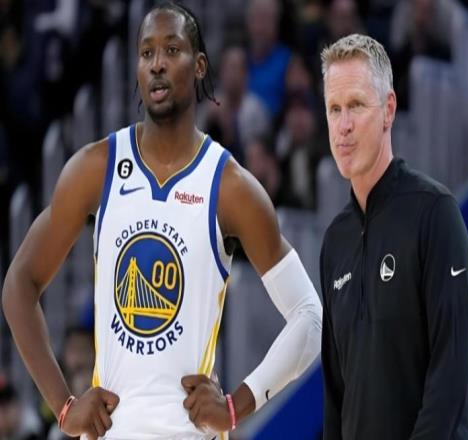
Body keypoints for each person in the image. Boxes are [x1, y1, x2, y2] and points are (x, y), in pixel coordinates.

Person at [1, 2, 322, 440]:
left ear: (199, 65)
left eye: (172, 50)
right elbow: (19, 284)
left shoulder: (230, 186)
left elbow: (309, 316)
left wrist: (236, 406)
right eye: (147, 52)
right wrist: (63, 407)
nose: (157, 64)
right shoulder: (95, 168)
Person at [319, 34, 468, 439]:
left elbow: (451, 371)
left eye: (356, 105)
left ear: (388, 110)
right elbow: (336, 396)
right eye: (334, 109)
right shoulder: (335, 242)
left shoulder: (436, 213)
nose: (343, 125)